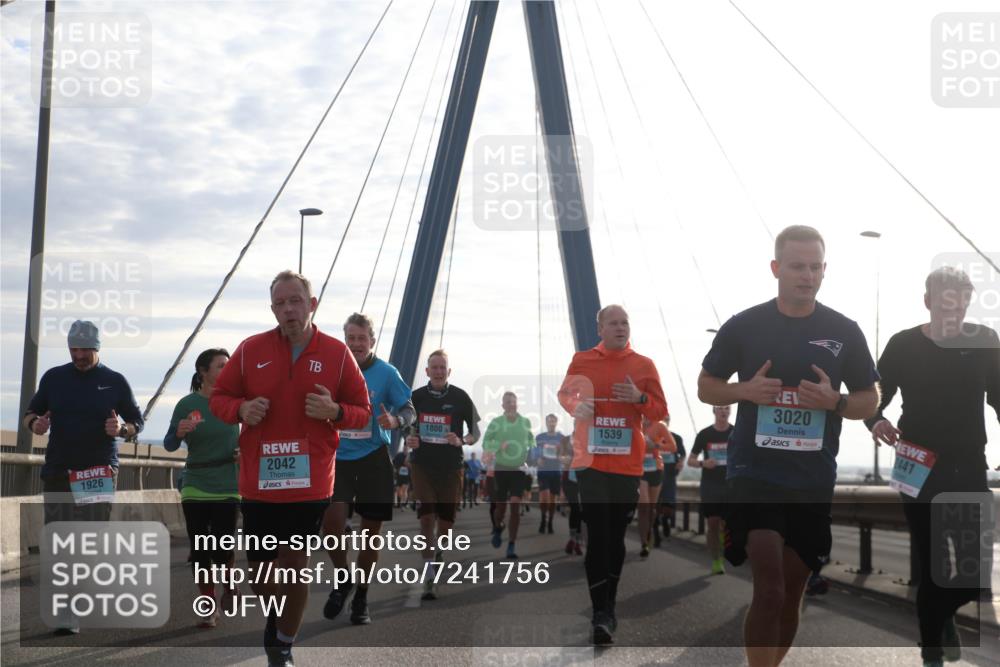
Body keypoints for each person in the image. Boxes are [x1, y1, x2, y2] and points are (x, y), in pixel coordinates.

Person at [697, 225, 879, 667]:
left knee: (793, 593)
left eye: (816, 267)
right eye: (798, 266)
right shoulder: (744, 325)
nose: (807, 275)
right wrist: (746, 392)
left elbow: (868, 399)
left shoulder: (844, 330)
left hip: (811, 479)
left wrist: (834, 401)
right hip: (755, 475)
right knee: (771, 588)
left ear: (824, 271)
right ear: (776, 268)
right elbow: (706, 387)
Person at [210, 271, 371, 667]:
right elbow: (220, 398)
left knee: (295, 567)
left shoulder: (336, 353)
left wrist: (334, 411)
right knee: (263, 576)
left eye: (295, 301)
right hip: (259, 483)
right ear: (272, 309)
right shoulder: (250, 350)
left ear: (311, 304)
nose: (288, 310)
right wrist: (241, 410)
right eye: (280, 303)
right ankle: (277, 615)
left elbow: (362, 412)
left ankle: (283, 644)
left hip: (309, 482)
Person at [866, 266, 999, 667]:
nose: (952, 311)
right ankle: (931, 654)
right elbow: (872, 396)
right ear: (928, 302)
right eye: (944, 302)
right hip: (917, 464)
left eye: (959, 303)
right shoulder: (903, 345)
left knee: (974, 576)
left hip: (968, 464)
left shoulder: (986, 341)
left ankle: (940, 618)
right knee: (931, 561)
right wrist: (876, 421)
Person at [24, 320, 144, 635]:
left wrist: (122, 429)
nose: (78, 355)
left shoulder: (115, 381)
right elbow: (31, 412)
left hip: (98, 471)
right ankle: (67, 609)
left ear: (97, 348)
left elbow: (136, 422)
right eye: (73, 349)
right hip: (59, 471)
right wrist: (35, 424)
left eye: (84, 350)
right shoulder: (54, 377)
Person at [558, 304, 668, 644]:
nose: (621, 328)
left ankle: (610, 603)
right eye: (614, 323)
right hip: (590, 463)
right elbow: (565, 394)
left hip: (627, 465)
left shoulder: (643, 365)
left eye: (625, 323)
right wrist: (577, 407)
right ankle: (600, 613)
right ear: (600, 328)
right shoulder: (582, 360)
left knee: (616, 536)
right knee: (598, 534)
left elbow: (661, 410)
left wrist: (639, 397)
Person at [321, 313, 414, 626]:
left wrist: (396, 421)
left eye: (362, 339)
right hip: (338, 459)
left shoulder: (387, 373)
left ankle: (361, 596)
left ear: (372, 341)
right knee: (331, 527)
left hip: (374, 457)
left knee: (369, 537)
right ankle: (344, 577)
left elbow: (408, 408)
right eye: (352, 338)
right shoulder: (332, 370)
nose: (357, 344)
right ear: (344, 339)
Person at [164, 348, 240, 629]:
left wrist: (244, 451)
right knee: (200, 549)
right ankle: (208, 606)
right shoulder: (187, 404)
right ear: (203, 372)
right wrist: (179, 432)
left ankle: (230, 584)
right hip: (196, 481)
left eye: (228, 366)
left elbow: (254, 435)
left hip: (228, 482)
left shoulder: (236, 403)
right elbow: (170, 444)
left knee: (222, 546)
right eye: (221, 366)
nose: (226, 370)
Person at [405, 349, 480, 601]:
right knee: (426, 518)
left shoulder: (461, 397)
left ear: (449, 371)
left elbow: (475, 433)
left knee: (446, 526)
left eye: (442, 368)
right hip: (422, 465)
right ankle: (429, 576)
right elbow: (406, 427)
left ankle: (438, 552)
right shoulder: (415, 397)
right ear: (426, 371)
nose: (438, 372)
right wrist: (409, 439)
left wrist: (461, 439)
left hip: (451, 468)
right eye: (433, 367)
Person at [483, 392, 534, 559]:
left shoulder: (525, 422)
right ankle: (498, 527)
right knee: (500, 509)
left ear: (517, 404)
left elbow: (531, 441)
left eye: (514, 402)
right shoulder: (496, 422)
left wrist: (532, 452)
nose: (511, 404)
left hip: (518, 469)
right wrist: (498, 445)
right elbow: (485, 443)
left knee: (515, 506)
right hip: (501, 469)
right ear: (503, 406)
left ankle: (511, 545)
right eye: (508, 402)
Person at [687, 406, 733, 574]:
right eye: (721, 408)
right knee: (713, 524)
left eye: (727, 408)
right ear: (714, 411)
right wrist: (703, 463)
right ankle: (716, 560)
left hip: (730, 485)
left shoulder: (736, 432)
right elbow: (691, 460)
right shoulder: (704, 434)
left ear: (730, 411)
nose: (724, 411)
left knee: (725, 524)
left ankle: (723, 550)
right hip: (710, 484)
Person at [637, 417, 675, 558]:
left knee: (652, 509)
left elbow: (673, 447)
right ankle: (644, 543)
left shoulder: (660, 426)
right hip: (639, 470)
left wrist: (656, 446)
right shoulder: (634, 422)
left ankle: (649, 531)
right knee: (644, 506)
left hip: (656, 469)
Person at [654, 417, 685, 544]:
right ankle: (656, 537)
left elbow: (682, 454)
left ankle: (665, 520)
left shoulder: (676, 438)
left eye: (666, 420)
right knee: (654, 509)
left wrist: (681, 463)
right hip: (654, 477)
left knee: (669, 507)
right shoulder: (651, 437)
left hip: (670, 477)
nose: (664, 422)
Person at [533, 414, 565, 534]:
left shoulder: (562, 438)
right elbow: (534, 452)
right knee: (544, 497)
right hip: (543, 471)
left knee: (552, 500)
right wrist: (537, 459)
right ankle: (543, 520)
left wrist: (563, 458)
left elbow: (565, 453)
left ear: (556, 423)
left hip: (556, 471)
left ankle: (550, 522)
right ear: (546, 423)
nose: (551, 423)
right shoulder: (539, 437)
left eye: (553, 421)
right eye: (549, 421)